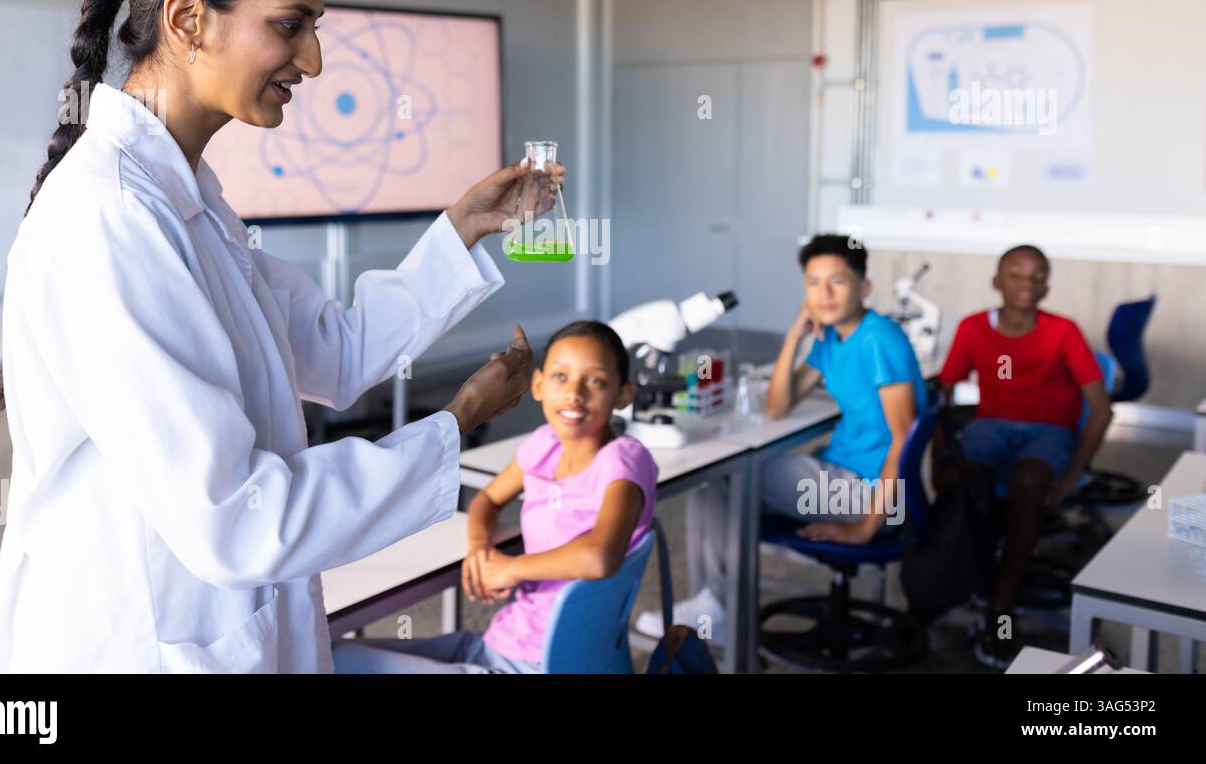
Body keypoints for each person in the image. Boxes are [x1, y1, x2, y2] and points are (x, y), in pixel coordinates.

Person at [0, 0, 563, 673]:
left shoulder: (188, 201)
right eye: (290, 25)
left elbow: (332, 348)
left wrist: (463, 227)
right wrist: (452, 426)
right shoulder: (110, 216)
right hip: (138, 643)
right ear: (189, 21)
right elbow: (234, 516)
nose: (314, 60)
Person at [636, 234, 926, 647]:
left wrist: (865, 528)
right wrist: (794, 334)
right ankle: (715, 604)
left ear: (864, 287)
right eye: (813, 282)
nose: (823, 294)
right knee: (710, 494)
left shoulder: (879, 339)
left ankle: (719, 608)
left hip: (866, 490)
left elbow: (904, 439)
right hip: (841, 474)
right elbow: (778, 406)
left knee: (737, 477)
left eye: (837, 282)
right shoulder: (833, 338)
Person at [333, 321, 658, 673]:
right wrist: (479, 551)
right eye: (560, 377)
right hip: (502, 643)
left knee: (332, 662)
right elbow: (486, 500)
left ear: (623, 394)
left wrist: (510, 569)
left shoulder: (623, 461)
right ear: (538, 385)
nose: (574, 393)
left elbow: (599, 558)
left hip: (537, 662)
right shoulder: (544, 446)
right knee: (326, 655)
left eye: (594, 381)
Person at [937, 244, 1112, 670]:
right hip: (992, 426)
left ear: (1047, 286)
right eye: (1016, 275)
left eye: (1037, 277)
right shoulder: (973, 328)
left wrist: (1071, 477)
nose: (1027, 285)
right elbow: (942, 394)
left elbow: (1102, 408)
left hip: (1048, 431)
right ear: (996, 282)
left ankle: (1002, 607)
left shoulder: (1062, 331)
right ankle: (977, 583)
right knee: (965, 484)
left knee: (1028, 483)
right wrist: (939, 462)